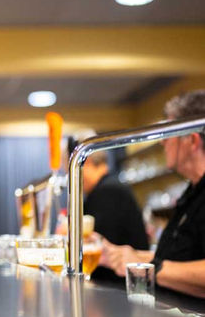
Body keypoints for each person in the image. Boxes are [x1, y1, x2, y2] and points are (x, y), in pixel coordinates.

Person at [101, 90, 205, 298]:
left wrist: (150, 268)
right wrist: (123, 255)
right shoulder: (192, 191)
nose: (162, 142)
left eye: (169, 135)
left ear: (192, 141)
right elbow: (176, 258)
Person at [82, 150, 149, 280]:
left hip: (121, 284)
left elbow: (99, 250)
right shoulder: (109, 186)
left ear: (87, 162)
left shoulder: (107, 191)